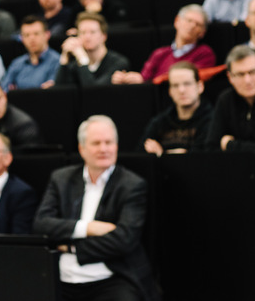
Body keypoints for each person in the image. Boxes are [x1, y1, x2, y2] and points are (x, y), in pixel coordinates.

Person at [33, 115, 160, 301]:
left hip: (112, 276)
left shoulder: (132, 184)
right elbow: (41, 224)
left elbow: (125, 239)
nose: (103, 149)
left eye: (109, 142)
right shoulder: (61, 179)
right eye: (96, 143)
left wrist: (71, 248)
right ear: (81, 148)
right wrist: (88, 227)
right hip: (61, 277)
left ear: (116, 146)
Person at [112, 4, 216, 84]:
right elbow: (145, 79)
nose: (192, 26)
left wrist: (150, 80)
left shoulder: (205, 53)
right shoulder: (159, 53)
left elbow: (187, 79)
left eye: (198, 24)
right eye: (189, 20)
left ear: (202, 33)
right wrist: (128, 79)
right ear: (177, 21)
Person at [140, 61, 214, 155]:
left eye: (187, 84)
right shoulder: (160, 121)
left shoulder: (212, 119)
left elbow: (203, 157)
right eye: (175, 85)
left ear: (200, 86)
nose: (181, 90)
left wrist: (162, 154)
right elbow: (140, 153)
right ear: (170, 91)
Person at [55, 12, 130, 86]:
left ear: (104, 36)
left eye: (92, 32)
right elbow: (59, 92)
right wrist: (64, 60)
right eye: (83, 32)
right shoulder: (75, 65)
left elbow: (94, 92)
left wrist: (83, 60)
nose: (87, 37)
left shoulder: (118, 62)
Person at [2, 15, 60, 90]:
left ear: (47, 35)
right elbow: (4, 90)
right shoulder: (17, 63)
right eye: (27, 35)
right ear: (22, 39)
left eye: (36, 34)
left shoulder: (57, 62)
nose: (31, 39)